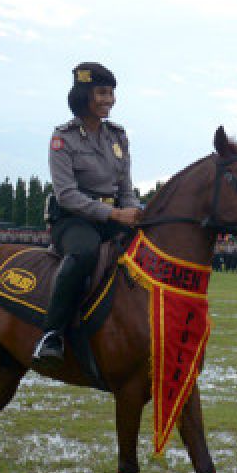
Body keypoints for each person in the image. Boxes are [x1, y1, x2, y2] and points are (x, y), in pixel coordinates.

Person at [32, 62, 143, 365]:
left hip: (112, 217)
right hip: (73, 219)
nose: (110, 100)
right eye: (103, 93)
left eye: (112, 93)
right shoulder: (63, 137)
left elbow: (126, 188)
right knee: (83, 254)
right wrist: (115, 215)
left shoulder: (118, 136)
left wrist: (133, 211)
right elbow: (66, 194)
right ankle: (51, 334)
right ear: (84, 95)